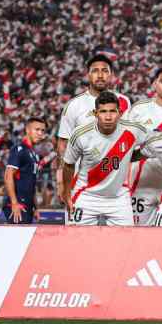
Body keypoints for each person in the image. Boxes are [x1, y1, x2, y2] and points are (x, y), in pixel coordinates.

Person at [61, 91, 147, 226]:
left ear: (119, 112)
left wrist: (130, 155)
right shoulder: (80, 134)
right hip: (87, 196)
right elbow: (68, 165)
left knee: (127, 242)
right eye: (103, 112)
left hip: (119, 197)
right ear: (95, 113)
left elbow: (152, 144)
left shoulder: (134, 130)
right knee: (75, 240)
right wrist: (66, 192)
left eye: (112, 111)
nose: (108, 117)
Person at [56, 53, 132, 202]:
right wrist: (61, 181)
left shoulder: (124, 102)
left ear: (111, 75)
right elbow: (62, 145)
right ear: (88, 75)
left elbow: (128, 140)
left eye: (105, 71)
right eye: (95, 71)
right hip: (80, 184)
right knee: (75, 226)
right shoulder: (74, 105)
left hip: (115, 187)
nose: (100, 75)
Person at [126, 67, 162, 225]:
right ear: (155, 84)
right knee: (138, 235)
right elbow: (126, 143)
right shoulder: (139, 110)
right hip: (142, 184)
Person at [3, 117, 47, 224]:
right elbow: (8, 176)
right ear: (27, 130)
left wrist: (35, 207)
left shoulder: (35, 155)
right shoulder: (19, 149)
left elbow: (32, 183)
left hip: (28, 206)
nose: (40, 133)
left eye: (42, 130)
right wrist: (14, 203)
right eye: (37, 129)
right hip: (17, 206)